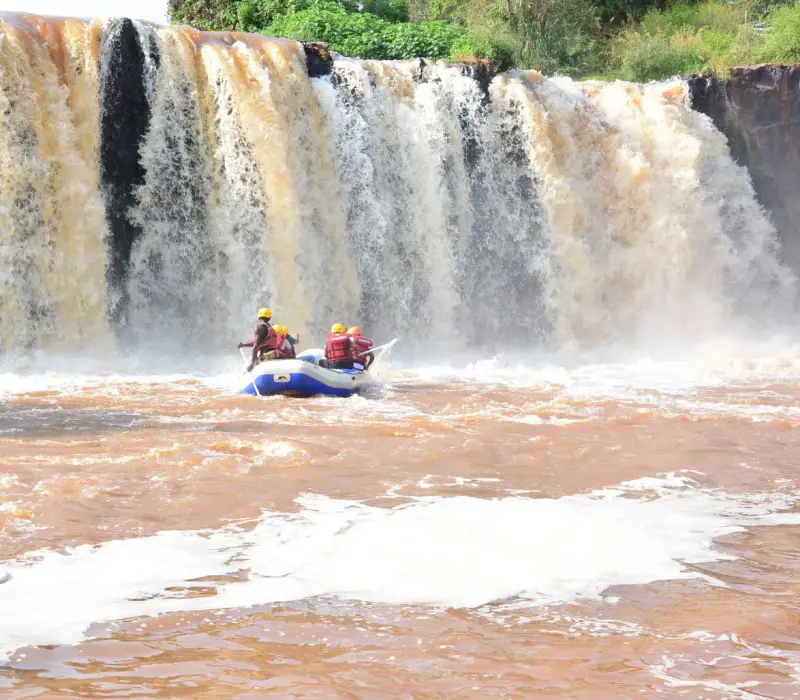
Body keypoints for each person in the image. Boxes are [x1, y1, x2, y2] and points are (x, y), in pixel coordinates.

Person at [238, 308, 279, 372]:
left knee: (248, 369)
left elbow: (255, 346)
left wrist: (252, 364)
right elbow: (256, 342)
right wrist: (243, 344)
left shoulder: (260, 328)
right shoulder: (272, 328)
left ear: (259, 317)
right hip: (275, 354)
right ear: (269, 317)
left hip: (265, 356)